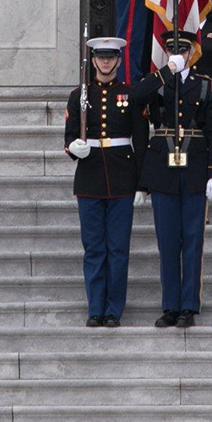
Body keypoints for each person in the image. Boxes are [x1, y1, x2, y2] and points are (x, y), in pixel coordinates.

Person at [132, 29, 212, 328]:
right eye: (172, 52)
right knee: (167, 240)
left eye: (183, 52)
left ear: (192, 53)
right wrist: (166, 73)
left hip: (194, 166)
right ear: (166, 53)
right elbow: (135, 98)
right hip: (163, 169)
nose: (177, 56)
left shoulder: (206, 86)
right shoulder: (156, 83)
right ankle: (170, 305)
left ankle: (189, 306)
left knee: (193, 240)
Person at [63, 37, 144, 328]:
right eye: (101, 57)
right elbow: (69, 136)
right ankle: (95, 308)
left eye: (111, 57)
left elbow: (141, 140)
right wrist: (75, 147)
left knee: (118, 248)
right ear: (94, 60)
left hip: (122, 177)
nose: (106, 62)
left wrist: (141, 184)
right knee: (95, 248)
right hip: (89, 177)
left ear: (119, 60)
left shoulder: (130, 94)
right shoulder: (79, 96)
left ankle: (114, 310)